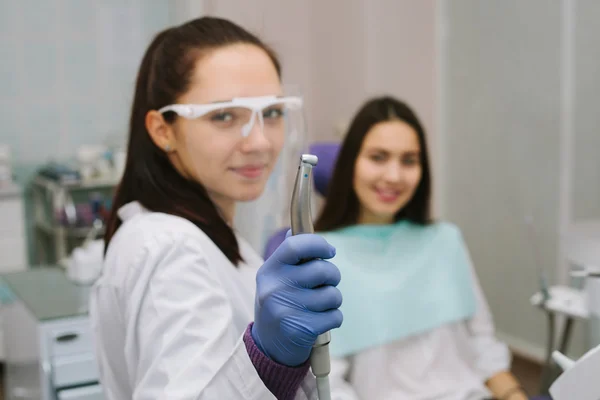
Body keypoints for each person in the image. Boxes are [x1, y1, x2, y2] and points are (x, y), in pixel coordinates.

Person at [90, 17, 358, 400]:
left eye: (272, 113)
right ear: (163, 129)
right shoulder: (168, 248)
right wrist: (269, 361)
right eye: (223, 116)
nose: (260, 142)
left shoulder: (209, 235)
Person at [315, 96, 529, 400]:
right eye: (378, 157)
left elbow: (484, 347)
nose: (394, 175)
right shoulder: (323, 256)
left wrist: (514, 395)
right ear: (351, 162)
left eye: (409, 160)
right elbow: (329, 383)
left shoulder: (444, 240)